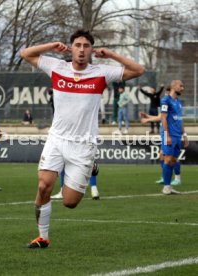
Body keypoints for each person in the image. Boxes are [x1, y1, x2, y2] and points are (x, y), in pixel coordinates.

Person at [21, 29, 145, 248]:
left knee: (70, 202)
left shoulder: (102, 72)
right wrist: (51, 46)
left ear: (91, 50)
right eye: (77, 45)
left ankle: (90, 167)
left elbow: (139, 70)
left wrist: (112, 55)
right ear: (71, 47)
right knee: (43, 187)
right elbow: (26, 53)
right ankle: (43, 237)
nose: (81, 50)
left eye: (86, 46)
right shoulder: (57, 67)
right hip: (56, 139)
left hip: (83, 145)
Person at [160, 80, 188, 195]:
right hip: (170, 135)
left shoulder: (179, 102)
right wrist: (167, 135)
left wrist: (185, 135)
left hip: (178, 136)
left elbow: (180, 120)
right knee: (167, 159)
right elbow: (163, 119)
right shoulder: (166, 100)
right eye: (181, 86)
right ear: (174, 86)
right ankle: (166, 187)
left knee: (173, 161)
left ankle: (169, 186)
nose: (182, 88)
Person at [140, 112, 182, 185]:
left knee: (172, 158)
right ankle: (164, 177)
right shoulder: (165, 105)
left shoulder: (168, 104)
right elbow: (159, 116)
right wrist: (147, 116)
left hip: (169, 135)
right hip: (164, 136)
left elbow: (161, 118)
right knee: (161, 156)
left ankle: (177, 179)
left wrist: (147, 120)